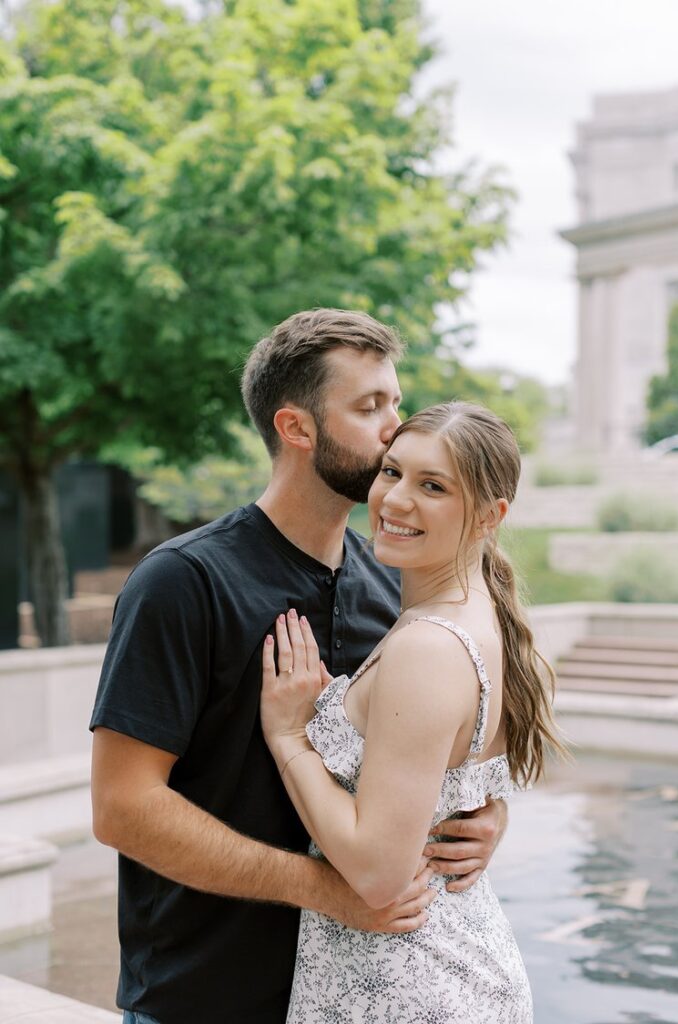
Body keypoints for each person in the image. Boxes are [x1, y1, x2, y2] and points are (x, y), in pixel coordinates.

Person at [90, 310, 508, 1024]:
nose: (394, 427)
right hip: (203, 998)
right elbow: (123, 808)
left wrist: (479, 819)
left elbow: (418, 760)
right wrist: (324, 888)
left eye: (395, 402)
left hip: (353, 998)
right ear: (297, 428)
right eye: (369, 406)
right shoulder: (183, 582)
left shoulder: (393, 588)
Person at [260, 400, 567, 1023]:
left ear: (489, 515)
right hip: (437, 963)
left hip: (410, 986)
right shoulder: (476, 618)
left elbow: (377, 873)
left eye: (432, 486)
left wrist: (290, 736)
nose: (396, 500)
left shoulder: (429, 648)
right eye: (392, 472)